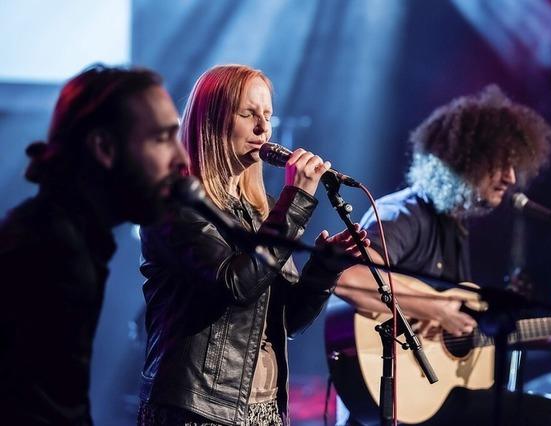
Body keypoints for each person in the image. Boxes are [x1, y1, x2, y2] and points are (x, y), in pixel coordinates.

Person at [334, 85, 551, 426]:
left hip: (432, 398)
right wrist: (437, 309)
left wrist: (550, 337)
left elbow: (465, 334)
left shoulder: (455, 228)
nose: (511, 177)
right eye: (499, 164)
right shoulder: (402, 214)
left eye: (514, 165)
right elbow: (351, 280)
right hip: (393, 401)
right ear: (463, 159)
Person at [137, 64, 368, 426]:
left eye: (267, 115)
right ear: (211, 122)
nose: (263, 128)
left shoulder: (261, 212)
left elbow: (288, 319)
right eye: (248, 114)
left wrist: (324, 267)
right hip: (199, 408)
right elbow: (236, 284)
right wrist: (296, 201)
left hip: (263, 409)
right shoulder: (173, 205)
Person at [0, 64, 189, 425]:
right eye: (163, 138)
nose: (182, 160)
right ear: (103, 147)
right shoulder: (52, 253)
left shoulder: (62, 235)